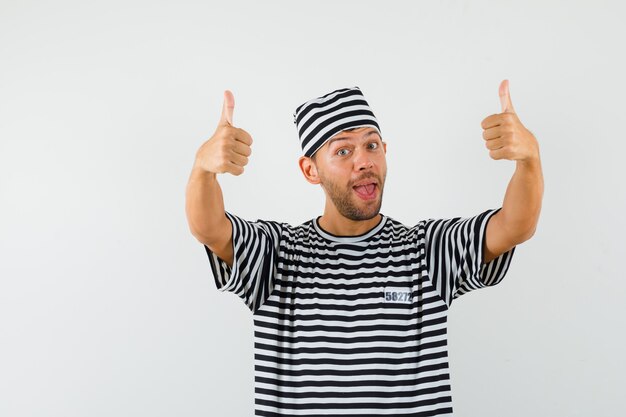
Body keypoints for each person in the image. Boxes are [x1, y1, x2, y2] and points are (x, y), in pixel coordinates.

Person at [185, 83, 543, 416]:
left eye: (372, 146)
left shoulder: (426, 250)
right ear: (311, 170)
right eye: (343, 150)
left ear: (385, 153)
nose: (364, 161)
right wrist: (203, 169)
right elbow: (210, 228)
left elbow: (514, 226)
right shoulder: (278, 254)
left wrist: (529, 159)